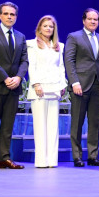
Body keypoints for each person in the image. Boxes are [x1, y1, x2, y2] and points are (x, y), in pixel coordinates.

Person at [0, 2, 29, 171]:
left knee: (8, 126)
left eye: (13, 14)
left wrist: (18, 78)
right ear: (0, 15)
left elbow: (25, 61)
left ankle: (4, 158)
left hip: (14, 87)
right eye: (6, 14)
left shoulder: (21, 37)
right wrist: (5, 78)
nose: (9, 17)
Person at [65, 8, 99, 167]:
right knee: (77, 122)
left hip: (97, 85)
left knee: (95, 122)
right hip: (80, 85)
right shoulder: (74, 37)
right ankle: (77, 156)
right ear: (84, 20)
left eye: (95, 19)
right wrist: (74, 82)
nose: (92, 21)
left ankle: (93, 155)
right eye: (90, 19)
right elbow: (69, 61)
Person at [26, 15, 66, 168]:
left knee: (53, 126)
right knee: (40, 125)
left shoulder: (59, 46)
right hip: (40, 89)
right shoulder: (31, 44)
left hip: (55, 88)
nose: (48, 28)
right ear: (39, 28)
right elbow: (32, 66)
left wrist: (62, 85)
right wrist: (36, 84)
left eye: (51, 26)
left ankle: (52, 160)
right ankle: (41, 160)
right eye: (45, 26)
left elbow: (61, 67)